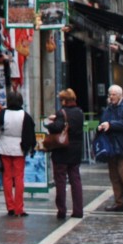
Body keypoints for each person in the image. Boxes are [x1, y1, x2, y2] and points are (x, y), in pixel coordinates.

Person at [0, 91, 37, 217]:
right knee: (18, 178)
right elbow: (30, 134)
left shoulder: (2, 114)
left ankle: (10, 207)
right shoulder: (25, 116)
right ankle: (19, 208)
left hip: (5, 148)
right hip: (19, 148)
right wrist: (30, 148)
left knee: (7, 177)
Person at [46, 88, 84, 219]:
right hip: (76, 150)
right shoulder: (79, 112)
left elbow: (57, 127)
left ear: (64, 100)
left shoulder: (61, 113)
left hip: (62, 150)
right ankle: (78, 210)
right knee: (75, 180)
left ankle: (61, 210)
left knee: (60, 181)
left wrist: (50, 123)